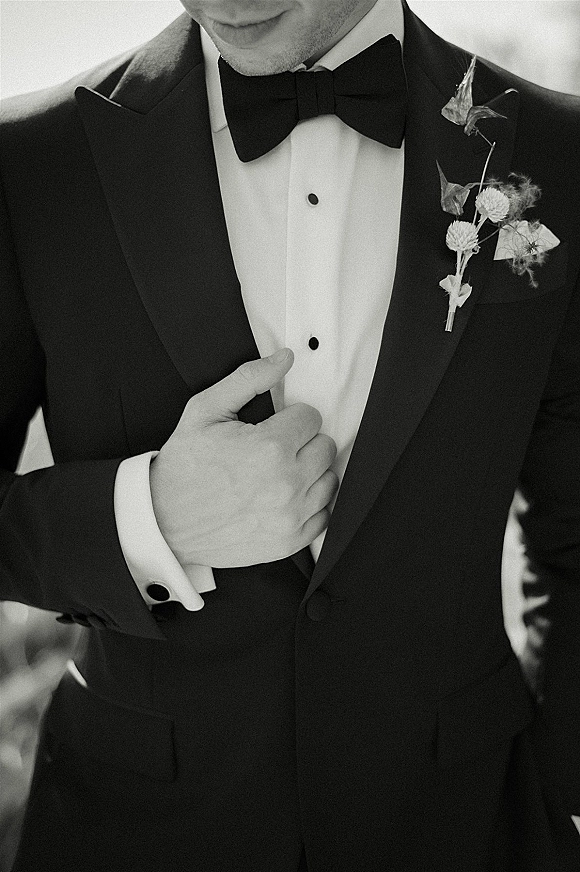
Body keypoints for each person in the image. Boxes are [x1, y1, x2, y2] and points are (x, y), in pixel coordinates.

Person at [1, 0, 579, 869]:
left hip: (465, 827)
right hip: (130, 833)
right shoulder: (32, 163)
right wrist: (144, 517)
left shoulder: (555, 155)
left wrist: (567, 798)